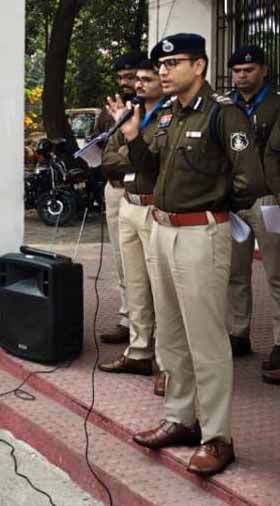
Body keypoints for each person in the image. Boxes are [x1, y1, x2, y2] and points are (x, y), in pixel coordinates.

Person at [116, 33, 265, 476]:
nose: (163, 71)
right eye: (160, 65)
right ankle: (180, 418)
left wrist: (215, 208)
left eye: (173, 63)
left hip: (201, 233)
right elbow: (150, 170)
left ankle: (218, 437)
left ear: (198, 66)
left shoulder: (223, 114)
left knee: (207, 339)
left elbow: (250, 180)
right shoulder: (169, 115)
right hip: (162, 230)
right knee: (171, 334)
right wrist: (133, 138)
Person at [98, 59, 167, 396]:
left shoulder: (170, 116)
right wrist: (131, 147)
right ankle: (139, 352)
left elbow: (156, 160)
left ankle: (168, 365)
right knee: (136, 283)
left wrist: (131, 146)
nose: (139, 84)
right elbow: (108, 158)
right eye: (137, 79)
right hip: (129, 203)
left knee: (162, 288)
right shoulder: (129, 112)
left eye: (147, 79)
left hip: (155, 207)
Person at [225, 45, 280, 366]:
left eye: (248, 70)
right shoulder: (224, 106)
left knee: (277, 273)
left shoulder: (276, 104)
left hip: (268, 200)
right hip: (233, 202)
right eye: (237, 71)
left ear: (263, 71)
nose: (242, 76)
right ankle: (238, 333)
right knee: (235, 273)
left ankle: (279, 342)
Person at [98, 51, 146, 345]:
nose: (126, 82)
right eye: (121, 78)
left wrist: (123, 156)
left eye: (130, 77)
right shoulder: (110, 109)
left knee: (144, 264)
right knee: (121, 260)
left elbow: (142, 156)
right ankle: (127, 318)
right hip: (114, 187)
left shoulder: (149, 107)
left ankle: (145, 326)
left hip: (142, 189)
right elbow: (104, 152)